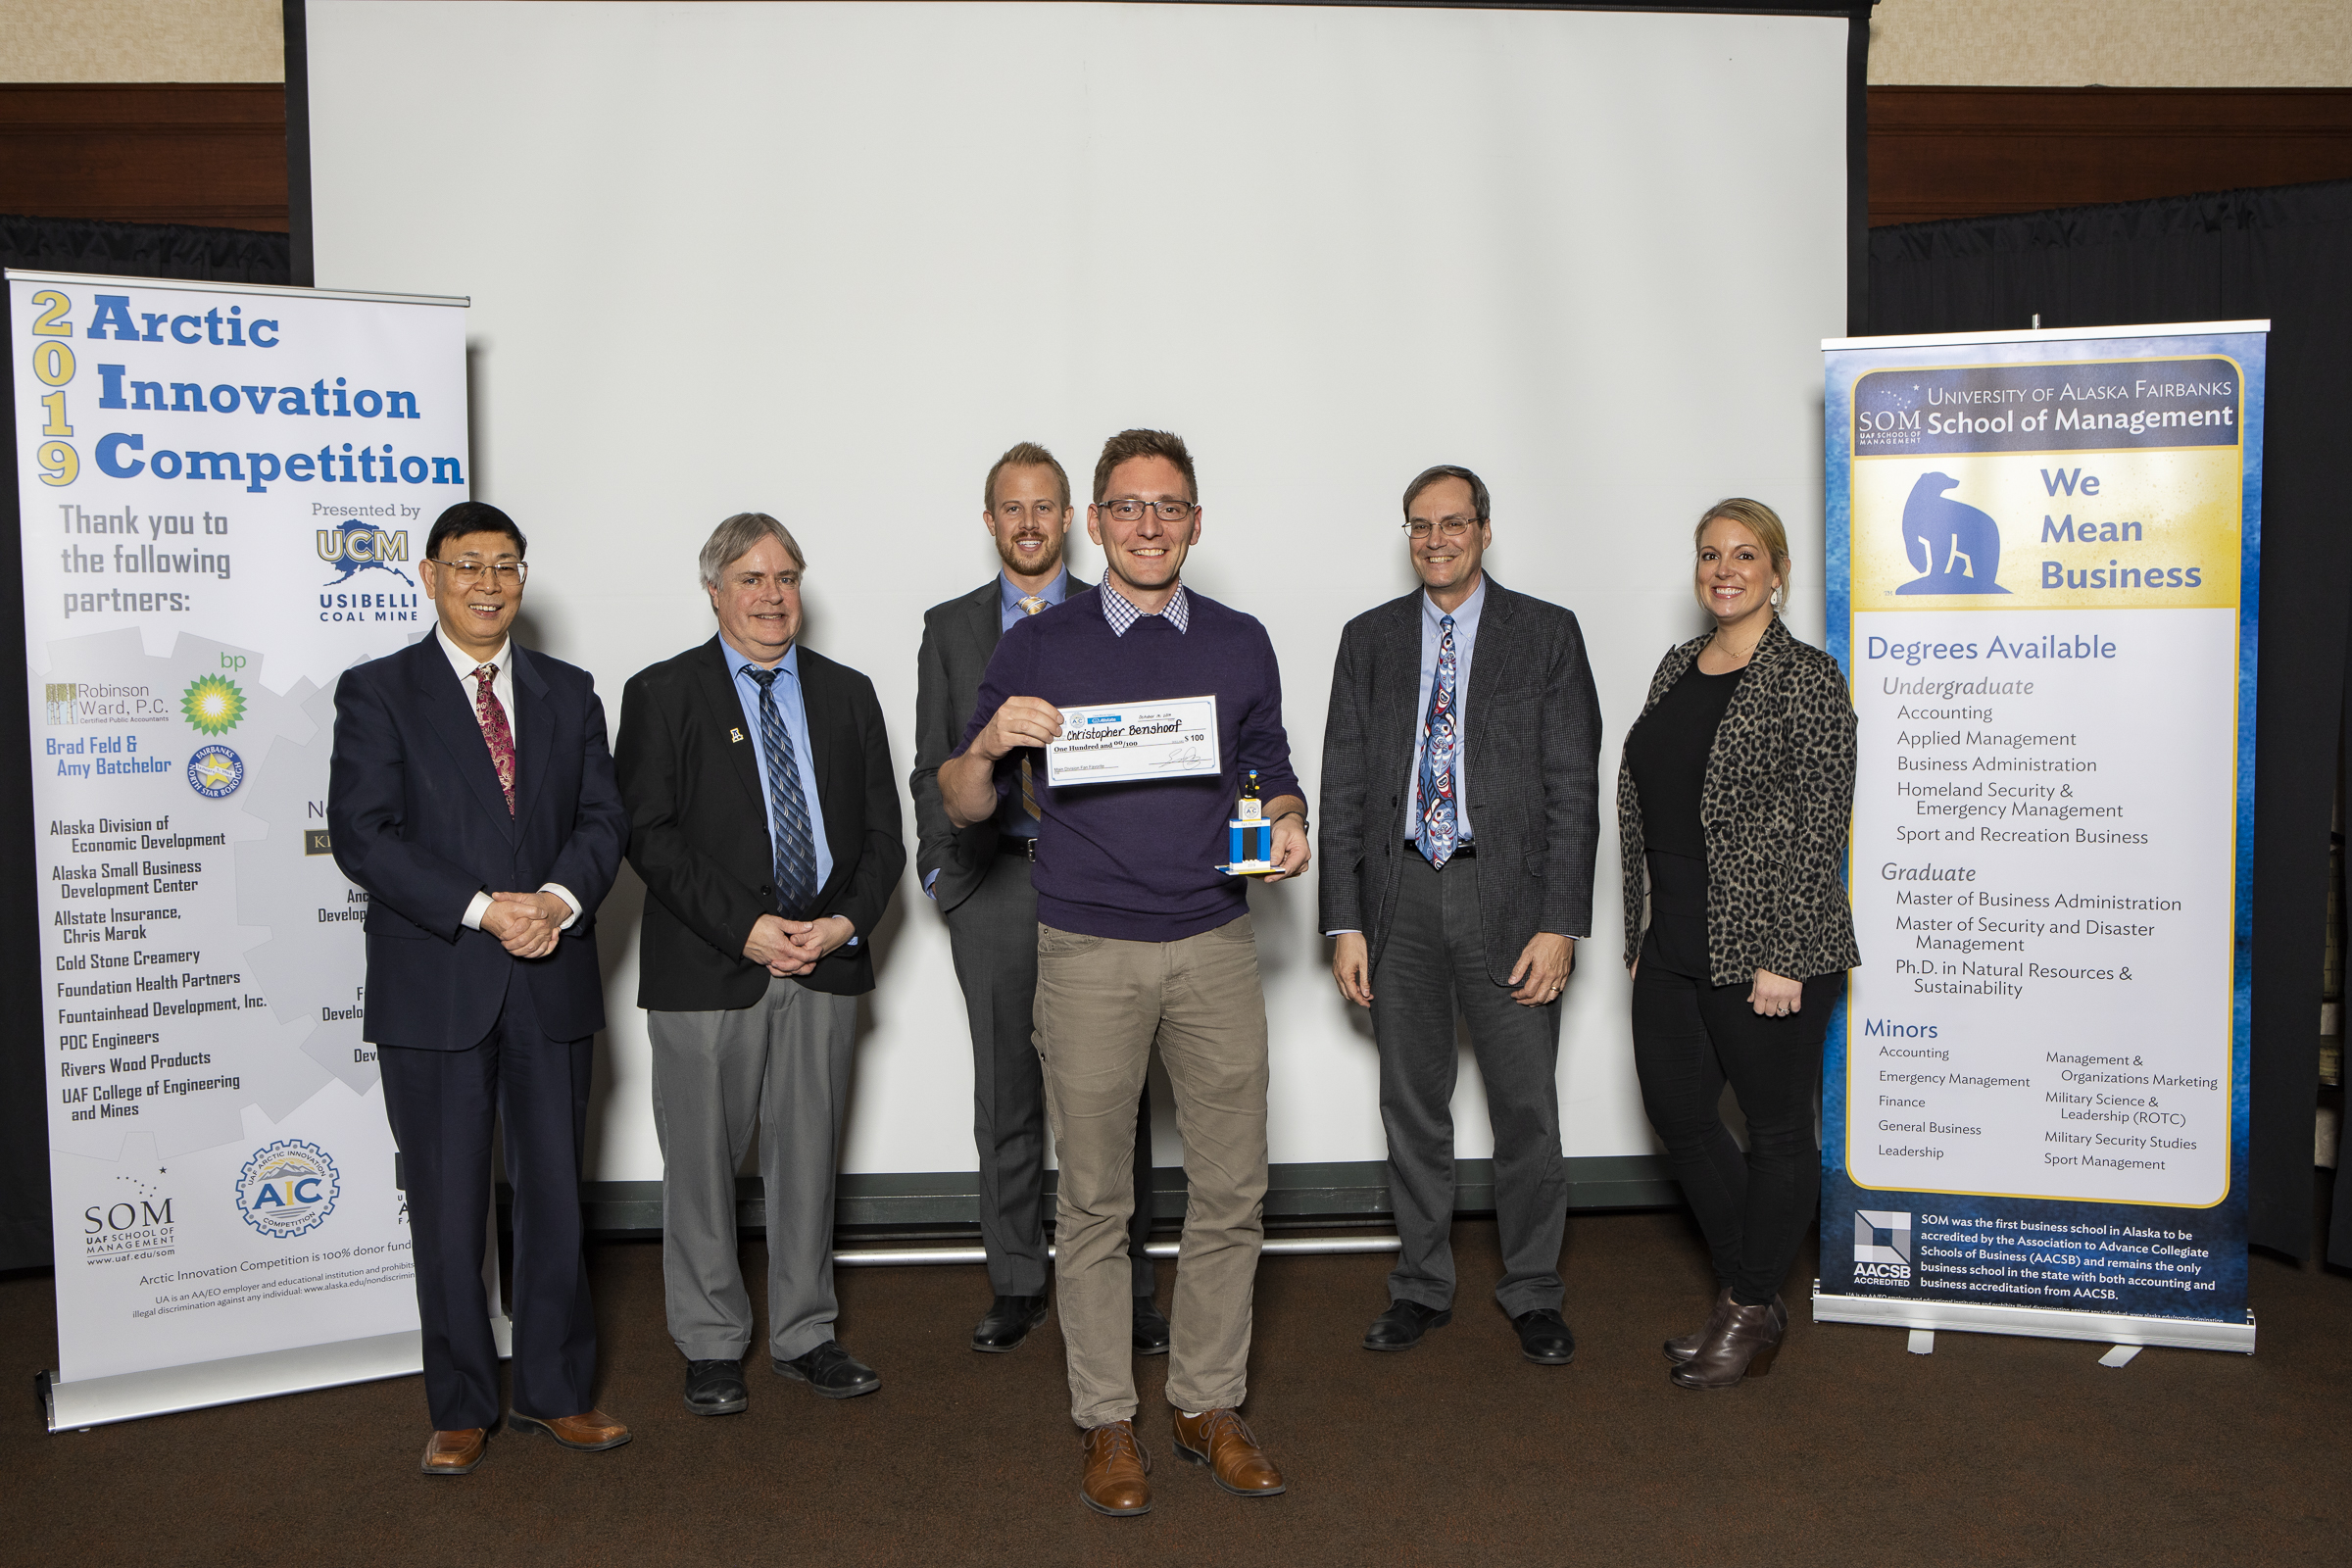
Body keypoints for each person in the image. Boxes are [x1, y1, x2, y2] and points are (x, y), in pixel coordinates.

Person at [938, 428, 1304, 1517]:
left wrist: (1287, 820)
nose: (1149, 524)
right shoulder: (1038, 647)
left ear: (1196, 522)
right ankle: (1107, 1419)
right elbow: (961, 799)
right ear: (1094, 524)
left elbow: (1271, 768)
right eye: (1129, 506)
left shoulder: (1241, 641)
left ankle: (1205, 1402)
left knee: (1232, 1186)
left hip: (1214, 942)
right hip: (1087, 947)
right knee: (1096, 1197)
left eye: (1171, 506)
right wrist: (995, 740)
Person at [327, 500, 629, 1476]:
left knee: (552, 1200)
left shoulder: (570, 690)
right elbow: (365, 835)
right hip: (438, 986)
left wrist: (550, 899)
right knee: (451, 1208)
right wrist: (480, 908)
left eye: (506, 565)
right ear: (429, 575)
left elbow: (602, 822)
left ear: (523, 578)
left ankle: (554, 1392)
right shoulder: (378, 692)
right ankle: (459, 1404)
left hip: (553, 979)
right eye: (468, 565)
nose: (489, 582)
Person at [614, 514, 905, 1418]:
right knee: (700, 1163)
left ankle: (805, 1334)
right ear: (714, 592)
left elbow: (883, 839)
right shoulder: (663, 693)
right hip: (711, 966)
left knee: (808, 1157)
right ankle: (709, 1344)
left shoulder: (849, 692)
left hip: (824, 961)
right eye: (750, 577)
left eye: (786, 576)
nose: (772, 594)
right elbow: (647, 837)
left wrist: (843, 922)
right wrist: (747, 928)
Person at [1319, 465, 1602, 1367]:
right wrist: (1343, 921)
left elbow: (1574, 789)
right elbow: (1343, 789)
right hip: (1399, 895)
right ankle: (1421, 1285)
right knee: (1412, 1104)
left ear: (1484, 529)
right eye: (1418, 525)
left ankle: (1532, 1290)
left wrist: (1562, 922)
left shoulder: (1546, 635)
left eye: (1452, 523)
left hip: (1509, 901)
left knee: (1525, 1107)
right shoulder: (1368, 640)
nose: (1435, 540)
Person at [910, 442, 1168, 1356]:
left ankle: (1133, 1290)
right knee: (1007, 1096)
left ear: (1074, 520)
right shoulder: (949, 629)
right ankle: (1018, 1281)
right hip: (995, 879)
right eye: (1011, 509)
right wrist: (945, 878)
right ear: (991, 523)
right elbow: (930, 763)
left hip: (1095, 881)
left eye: (1045, 507)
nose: (1028, 523)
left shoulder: (1119, 619)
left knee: (1113, 1097)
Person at [1618, 497, 1858, 1389]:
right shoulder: (1679, 664)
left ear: (1777, 572)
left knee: (1777, 1129)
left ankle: (1750, 1305)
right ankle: (1748, 1291)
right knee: (1678, 1111)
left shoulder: (1806, 677)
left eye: (1745, 554)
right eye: (1711, 554)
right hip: (1675, 935)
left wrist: (1788, 954)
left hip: (1767, 941)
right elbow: (1646, 800)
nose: (1725, 569)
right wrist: (1644, 922)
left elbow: (1818, 822)